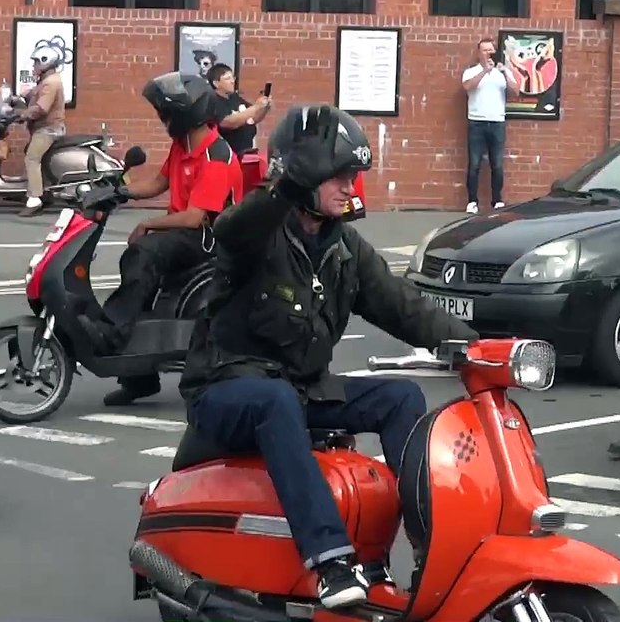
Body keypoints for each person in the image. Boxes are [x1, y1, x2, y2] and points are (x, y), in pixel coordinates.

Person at [178, 104, 477, 608]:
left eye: (353, 176)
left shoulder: (343, 246)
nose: (349, 187)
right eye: (337, 176)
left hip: (296, 390)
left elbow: (401, 305)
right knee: (275, 400)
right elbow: (233, 228)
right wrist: (285, 189)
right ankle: (330, 562)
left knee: (400, 397)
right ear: (303, 174)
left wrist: (475, 348)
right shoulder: (256, 234)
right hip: (225, 388)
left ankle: (429, 545)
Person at [83, 72, 245, 407]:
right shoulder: (184, 143)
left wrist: (149, 225)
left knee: (143, 252)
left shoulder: (216, 156)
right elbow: (158, 183)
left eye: (166, 113)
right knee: (141, 283)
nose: (163, 118)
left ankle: (111, 330)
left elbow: (193, 217)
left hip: (208, 238)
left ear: (187, 113)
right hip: (185, 233)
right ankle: (138, 377)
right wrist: (119, 191)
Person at [461, 38, 520, 214]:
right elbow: (467, 86)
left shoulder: (503, 72)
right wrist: (484, 71)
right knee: (474, 163)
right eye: (485, 50)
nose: (488, 53)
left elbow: (515, 92)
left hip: (497, 122)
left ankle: (497, 200)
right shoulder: (471, 71)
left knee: (497, 164)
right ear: (479, 53)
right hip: (477, 122)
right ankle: (472, 201)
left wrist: (504, 73)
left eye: (490, 50)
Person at [17, 46, 67, 217]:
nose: (34, 66)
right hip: (44, 128)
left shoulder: (51, 83)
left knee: (32, 158)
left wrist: (22, 114)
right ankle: (44, 192)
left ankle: (34, 198)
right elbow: (35, 96)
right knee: (37, 158)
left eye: (36, 62)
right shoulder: (47, 81)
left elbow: (41, 108)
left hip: (48, 130)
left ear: (45, 62)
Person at [207, 63, 272, 154]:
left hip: (246, 153)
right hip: (226, 156)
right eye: (227, 78)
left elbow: (252, 118)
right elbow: (227, 122)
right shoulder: (213, 100)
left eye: (233, 77)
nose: (232, 81)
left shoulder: (234, 98)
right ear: (216, 83)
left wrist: (264, 108)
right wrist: (256, 107)